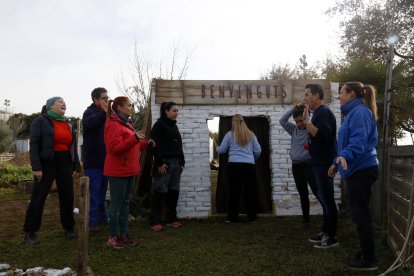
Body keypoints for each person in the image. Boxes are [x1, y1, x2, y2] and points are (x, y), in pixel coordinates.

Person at [328, 82, 379, 271]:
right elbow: (348, 145)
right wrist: (336, 161)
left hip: (362, 170)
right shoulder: (354, 113)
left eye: (341, 93)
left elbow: (358, 142)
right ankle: (366, 252)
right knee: (359, 215)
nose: (338, 97)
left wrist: (343, 156)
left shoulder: (359, 113)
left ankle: (369, 259)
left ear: (351, 94)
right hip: (358, 169)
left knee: (361, 215)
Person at [23, 97, 80, 245]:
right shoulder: (40, 121)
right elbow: (34, 145)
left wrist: (75, 165)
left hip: (65, 162)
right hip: (46, 163)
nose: (64, 103)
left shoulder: (68, 123)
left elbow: (73, 147)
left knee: (67, 195)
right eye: (60, 102)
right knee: (39, 197)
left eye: (65, 102)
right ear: (50, 106)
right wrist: (36, 168)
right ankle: (30, 232)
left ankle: (69, 227)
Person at [104, 96, 155, 249]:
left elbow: (133, 146)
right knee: (116, 204)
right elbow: (114, 149)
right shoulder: (113, 125)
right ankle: (112, 237)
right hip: (118, 172)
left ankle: (124, 235)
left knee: (125, 204)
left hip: (130, 171)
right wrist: (134, 138)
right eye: (129, 106)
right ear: (119, 107)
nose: (131, 108)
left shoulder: (127, 124)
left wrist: (146, 143)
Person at [303, 84, 339, 249]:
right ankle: (326, 231)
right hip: (318, 162)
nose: (306, 98)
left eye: (308, 95)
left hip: (324, 163)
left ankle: (331, 237)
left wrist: (307, 122)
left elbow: (323, 136)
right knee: (324, 199)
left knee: (327, 200)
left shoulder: (323, 112)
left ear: (317, 95)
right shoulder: (317, 113)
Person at [216, 114, 262, 223]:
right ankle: (252, 217)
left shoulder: (229, 135)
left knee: (234, 191)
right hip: (249, 165)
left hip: (234, 165)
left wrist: (217, 147)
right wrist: (252, 159)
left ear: (233, 122)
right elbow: (258, 150)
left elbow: (222, 150)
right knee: (250, 191)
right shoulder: (251, 134)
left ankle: (232, 218)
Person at [279, 103, 318, 228]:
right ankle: (306, 221)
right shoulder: (293, 129)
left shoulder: (310, 130)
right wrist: (294, 109)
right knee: (303, 193)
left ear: (305, 118)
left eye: (301, 120)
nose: (299, 123)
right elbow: (282, 120)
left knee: (318, 192)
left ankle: (329, 219)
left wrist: (306, 115)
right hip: (296, 166)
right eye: (296, 121)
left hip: (309, 165)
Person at [149, 102, 185, 231]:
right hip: (164, 163)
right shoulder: (159, 125)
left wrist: (182, 162)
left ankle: (171, 219)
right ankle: (155, 221)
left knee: (173, 192)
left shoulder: (174, 126)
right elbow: (153, 145)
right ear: (166, 111)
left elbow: (178, 145)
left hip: (176, 164)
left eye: (177, 111)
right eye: (174, 111)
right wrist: (159, 163)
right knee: (160, 192)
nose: (176, 113)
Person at [82, 87, 109, 231]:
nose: (107, 101)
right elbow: (91, 124)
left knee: (103, 191)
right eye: (104, 98)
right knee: (93, 192)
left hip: (106, 160)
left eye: (107, 98)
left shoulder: (108, 114)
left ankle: (101, 216)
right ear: (95, 100)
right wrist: (104, 114)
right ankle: (90, 221)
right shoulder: (89, 113)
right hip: (93, 161)